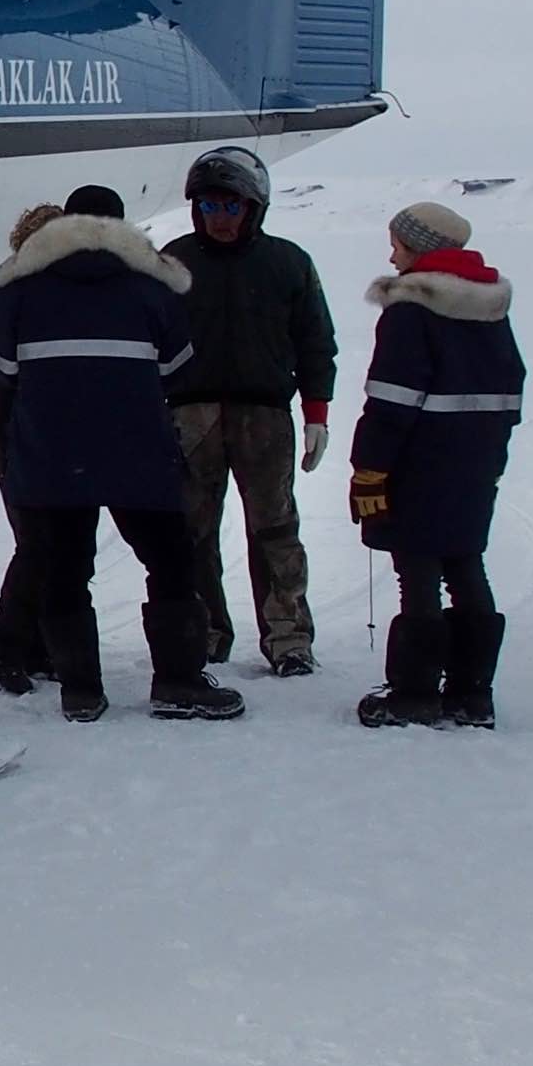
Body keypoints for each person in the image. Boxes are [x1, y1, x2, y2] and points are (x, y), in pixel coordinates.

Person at [0, 182, 237, 722]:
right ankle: (179, 681)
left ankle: (80, 692)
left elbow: (2, 370)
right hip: (139, 450)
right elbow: (178, 367)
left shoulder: (16, 293)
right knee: (170, 563)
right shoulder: (151, 289)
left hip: (51, 455)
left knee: (64, 570)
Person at [349, 201, 526, 729]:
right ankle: (473, 694)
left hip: (418, 465)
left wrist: (370, 469)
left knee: (418, 572)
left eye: (398, 245)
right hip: (475, 464)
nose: (391, 255)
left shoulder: (410, 309)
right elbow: (510, 395)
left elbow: (389, 401)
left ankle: (414, 692)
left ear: (420, 250)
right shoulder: (492, 309)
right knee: (467, 564)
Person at [163, 143, 337, 677]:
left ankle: (288, 638)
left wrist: (316, 413)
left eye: (230, 207)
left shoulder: (288, 263)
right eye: (210, 207)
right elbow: (151, 341)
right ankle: (205, 632)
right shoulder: (173, 262)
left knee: (275, 529)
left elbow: (315, 341)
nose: (219, 218)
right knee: (192, 531)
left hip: (264, 415)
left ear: (254, 207)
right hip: (190, 416)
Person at [0, 204, 65, 692]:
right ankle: (4, 641)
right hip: (14, 430)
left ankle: (35, 641)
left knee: (49, 540)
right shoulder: (6, 298)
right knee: (37, 540)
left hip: (47, 431)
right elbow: (1, 368)